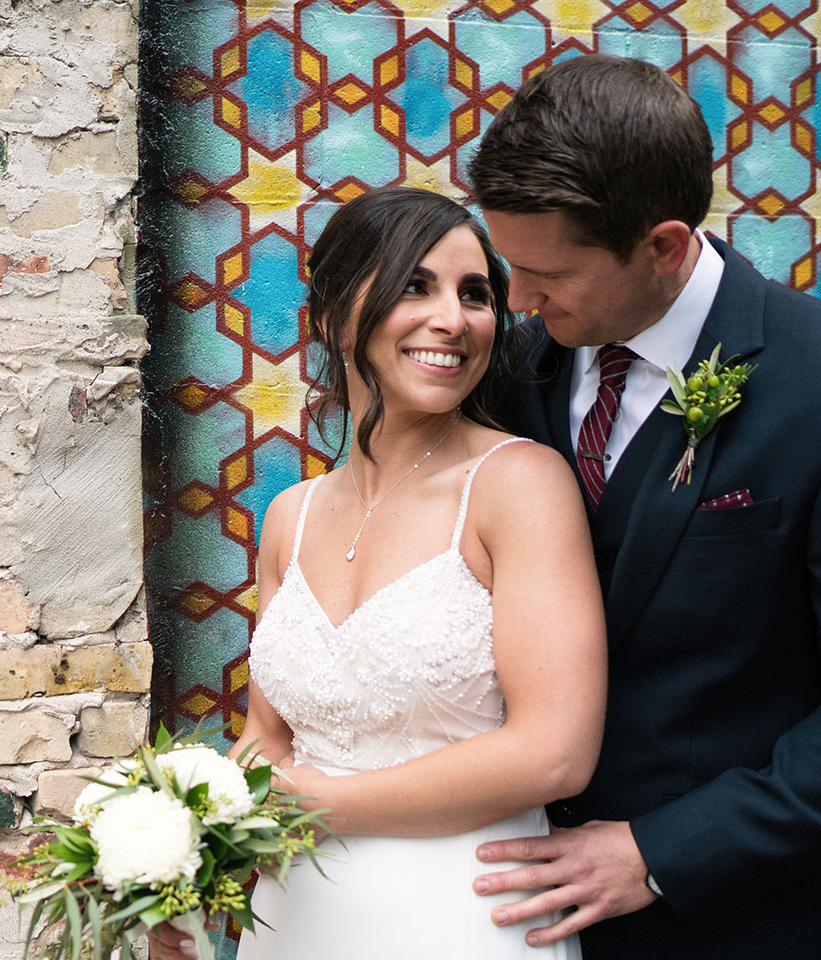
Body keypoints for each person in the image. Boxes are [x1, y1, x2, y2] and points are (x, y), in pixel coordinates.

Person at [464, 54, 821, 960]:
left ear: (664, 246)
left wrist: (661, 853)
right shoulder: (508, 378)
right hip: (502, 925)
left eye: (548, 272)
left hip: (741, 929)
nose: (518, 301)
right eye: (509, 267)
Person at [151, 185, 608, 959]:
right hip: (295, 916)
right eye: (414, 286)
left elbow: (554, 751)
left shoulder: (516, 485)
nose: (454, 320)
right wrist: (185, 868)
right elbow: (266, 738)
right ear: (331, 316)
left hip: (464, 914)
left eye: (476, 294)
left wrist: (324, 805)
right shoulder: (290, 518)